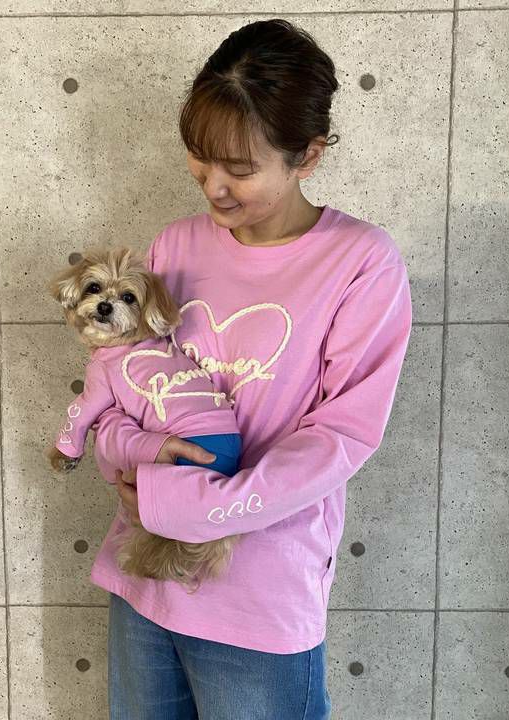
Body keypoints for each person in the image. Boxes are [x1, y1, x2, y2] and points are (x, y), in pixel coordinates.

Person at [90, 18, 413, 720]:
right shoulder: (175, 245)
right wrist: (124, 461)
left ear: (308, 155)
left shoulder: (361, 262)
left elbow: (341, 437)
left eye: (240, 169)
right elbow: (125, 383)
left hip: (259, 599)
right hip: (146, 574)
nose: (215, 187)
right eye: (201, 159)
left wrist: (186, 506)